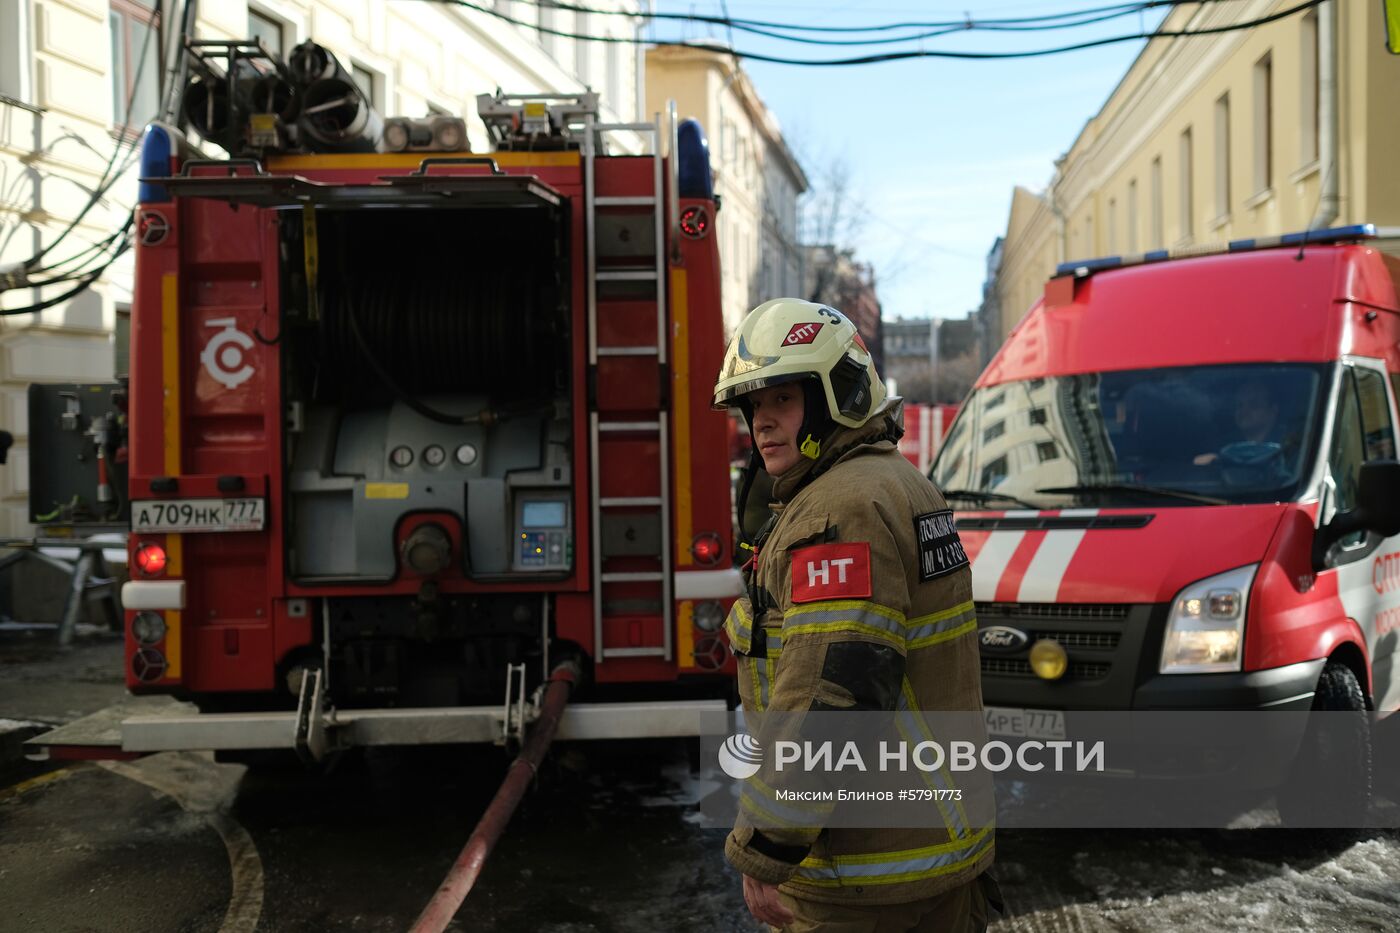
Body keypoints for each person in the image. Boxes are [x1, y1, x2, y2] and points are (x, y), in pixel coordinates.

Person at [713, 298, 998, 932]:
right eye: (753, 405)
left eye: (782, 400)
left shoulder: (837, 511)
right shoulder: (897, 482)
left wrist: (766, 848)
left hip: (868, 871)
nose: (761, 423)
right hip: (930, 846)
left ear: (836, 395)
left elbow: (830, 696)